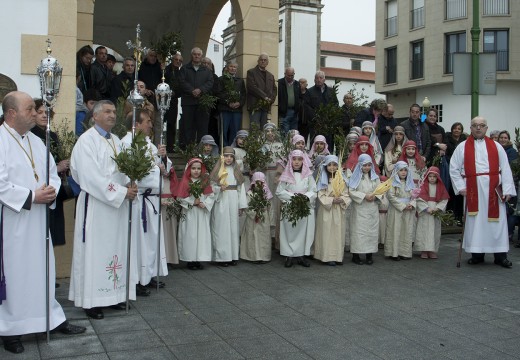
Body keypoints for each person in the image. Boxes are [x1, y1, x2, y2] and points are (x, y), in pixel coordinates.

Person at [0, 91, 85, 354]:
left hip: (37, 221)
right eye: (29, 109)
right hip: (13, 221)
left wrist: (50, 191)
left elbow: (51, 172)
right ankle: (11, 328)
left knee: (42, 269)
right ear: (12, 113)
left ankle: (49, 317)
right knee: (16, 274)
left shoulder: (37, 141)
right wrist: (30, 196)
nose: (36, 114)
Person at [69, 100, 139, 319]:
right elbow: (90, 177)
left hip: (116, 207)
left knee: (116, 249)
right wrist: (120, 192)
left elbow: (124, 169)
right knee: (96, 251)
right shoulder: (86, 141)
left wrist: (130, 183)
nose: (112, 115)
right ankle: (93, 301)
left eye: (114, 112)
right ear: (95, 116)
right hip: (97, 205)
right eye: (107, 112)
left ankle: (115, 295)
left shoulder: (116, 141)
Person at [449, 116, 516, 268]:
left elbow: (505, 168)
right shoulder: (462, 147)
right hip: (473, 189)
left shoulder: (496, 146)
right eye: (475, 125)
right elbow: (453, 168)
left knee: (497, 223)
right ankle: (477, 254)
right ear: (470, 128)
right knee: (476, 223)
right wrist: (461, 187)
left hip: (493, 189)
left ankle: (500, 256)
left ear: (486, 128)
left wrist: (507, 189)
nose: (478, 128)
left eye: (482, 125)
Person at [121, 110, 170, 291]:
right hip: (138, 200)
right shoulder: (127, 143)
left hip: (151, 199)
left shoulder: (148, 143)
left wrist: (162, 157)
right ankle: (137, 279)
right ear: (136, 124)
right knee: (139, 242)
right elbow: (127, 173)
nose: (151, 125)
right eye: (148, 121)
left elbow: (162, 169)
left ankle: (147, 275)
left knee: (150, 241)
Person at [276, 149, 317, 268]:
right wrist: (293, 197)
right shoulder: (286, 175)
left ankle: (301, 255)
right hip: (290, 206)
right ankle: (289, 255)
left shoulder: (308, 176)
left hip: (304, 206)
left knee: (302, 232)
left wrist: (305, 198)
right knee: (290, 231)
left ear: (303, 161)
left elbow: (313, 191)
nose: (297, 162)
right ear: (290, 161)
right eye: (294, 159)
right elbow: (279, 191)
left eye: (299, 159)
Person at [209, 147, 247, 266]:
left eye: (231, 156)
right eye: (226, 156)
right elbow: (211, 187)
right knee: (222, 228)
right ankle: (222, 257)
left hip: (233, 200)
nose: (229, 158)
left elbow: (241, 189)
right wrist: (219, 188)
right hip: (221, 201)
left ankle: (233, 255)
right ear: (222, 157)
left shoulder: (236, 171)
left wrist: (241, 205)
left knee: (233, 229)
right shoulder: (218, 171)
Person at [177, 158, 215, 270]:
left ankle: (199, 258)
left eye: (198, 168)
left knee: (201, 235)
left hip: (201, 212)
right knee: (190, 235)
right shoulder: (185, 182)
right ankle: (190, 259)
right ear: (189, 169)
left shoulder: (205, 181)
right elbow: (180, 198)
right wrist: (193, 202)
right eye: (193, 168)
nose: (196, 171)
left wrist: (205, 203)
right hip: (190, 213)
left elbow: (211, 196)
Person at [314, 155, 351, 266]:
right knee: (326, 233)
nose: (332, 167)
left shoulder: (342, 179)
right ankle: (326, 257)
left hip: (338, 210)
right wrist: (331, 200)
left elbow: (347, 194)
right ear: (325, 166)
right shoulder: (322, 180)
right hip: (327, 211)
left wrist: (342, 199)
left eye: (334, 165)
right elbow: (320, 195)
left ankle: (338, 257)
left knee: (338, 233)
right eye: (329, 165)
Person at [348, 153, 381, 265]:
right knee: (359, 232)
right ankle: (356, 255)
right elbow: (351, 191)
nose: (367, 167)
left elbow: (381, 190)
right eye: (364, 165)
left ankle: (369, 255)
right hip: (360, 208)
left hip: (372, 208)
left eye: (368, 165)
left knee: (371, 232)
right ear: (360, 165)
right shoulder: (355, 176)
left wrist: (375, 196)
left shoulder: (375, 178)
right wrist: (364, 196)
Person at [178, 47, 214, 146]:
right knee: (188, 126)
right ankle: (188, 149)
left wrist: (200, 90)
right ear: (191, 55)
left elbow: (210, 82)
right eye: (195, 54)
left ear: (201, 56)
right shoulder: (184, 68)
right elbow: (181, 81)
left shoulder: (206, 70)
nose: (197, 56)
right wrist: (191, 90)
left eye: (199, 54)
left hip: (202, 103)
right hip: (188, 102)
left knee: (202, 127)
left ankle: (202, 148)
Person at [414, 166, 450, 259]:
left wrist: (438, 208)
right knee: (424, 230)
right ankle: (424, 250)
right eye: (430, 176)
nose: (432, 178)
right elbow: (419, 199)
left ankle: (432, 250)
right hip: (426, 211)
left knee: (435, 231)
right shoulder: (423, 187)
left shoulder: (441, 187)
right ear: (427, 177)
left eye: (434, 176)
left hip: (435, 211)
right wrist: (426, 208)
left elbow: (444, 199)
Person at [385, 161, 416, 261]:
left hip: (408, 211)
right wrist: (403, 206)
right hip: (396, 210)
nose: (403, 172)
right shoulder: (392, 183)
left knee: (406, 231)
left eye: (405, 170)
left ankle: (404, 252)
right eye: (401, 170)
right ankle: (394, 253)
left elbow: (415, 196)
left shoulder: (410, 183)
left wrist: (411, 204)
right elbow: (391, 196)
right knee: (395, 230)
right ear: (396, 171)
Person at [240, 172, 273, 263]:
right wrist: (254, 214)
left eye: (261, 182)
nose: (259, 185)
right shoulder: (250, 193)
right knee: (252, 237)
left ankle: (264, 256)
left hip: (264, 218)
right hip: (252, 219)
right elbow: (246, 206)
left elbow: (270, 207)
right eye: (257, 182)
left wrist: (270, 219)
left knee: (263, 237)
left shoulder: (266, 194)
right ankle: (253, 257)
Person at [217, 60, 246, 146]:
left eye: (235, 67)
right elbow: (218, 94)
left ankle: (232, 150)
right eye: (231, 66)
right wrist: (228, 102)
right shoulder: (221, 79)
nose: (233, 68)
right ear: (227, 68)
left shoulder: (240, 81)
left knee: (235, 131)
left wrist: (239, 103)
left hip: (237, 111)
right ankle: (223, 150)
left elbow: (244, 95)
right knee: (223, 131)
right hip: (225, 109)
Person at [246, 53, 277, 128]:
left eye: (265, 60)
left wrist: (271, 100)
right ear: (258, 61)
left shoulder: (270, 75)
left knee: (265, 131)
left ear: (267, 62)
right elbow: (252, 87)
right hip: (255, 106)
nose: (263, 61)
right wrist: (265, 97)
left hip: (266, 107)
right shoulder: (251, 72)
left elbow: (274, 89)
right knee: (254, 130)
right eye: (261, 60)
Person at [445, 122, 467, 223]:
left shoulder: (464, 140)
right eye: (455, 128)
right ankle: (449, 216)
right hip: (449, 166)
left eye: (459, 129)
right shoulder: (447, 138)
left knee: (459, 194)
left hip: (461, 169)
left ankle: (458, 217)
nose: (457, 130)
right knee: (450, 192)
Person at [164, 52, 183, 152]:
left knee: (172, 124)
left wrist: (175, 93)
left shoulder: (180, 73)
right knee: (160, 123)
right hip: (162, 99)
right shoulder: (165, 70)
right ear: (172, 60)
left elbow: (182, 87)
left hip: (173, 101)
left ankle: (170, 147)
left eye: (180, 61)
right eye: (176, 60)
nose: (178, 62)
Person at [278, 67, 300, 136]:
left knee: (294, 134)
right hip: (284, 112)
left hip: (294, 112)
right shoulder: (279, 83)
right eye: (288, 75)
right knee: (285, 133)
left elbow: (299, 97)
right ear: (285, 74)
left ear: (294, 74)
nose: (290, 77)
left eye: (292, 75)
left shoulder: (297, 84)